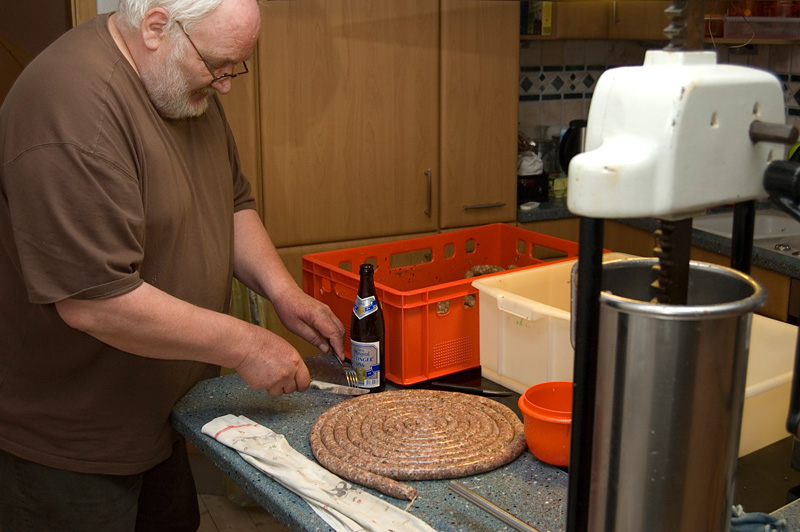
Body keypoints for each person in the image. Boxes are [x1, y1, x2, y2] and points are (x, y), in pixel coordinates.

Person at [0, 0, 345, 529]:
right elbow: (98, 302)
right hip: (72, 444)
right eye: (217, 65)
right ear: (158, 26)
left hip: (164, 413)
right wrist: (248, 344)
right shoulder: (72, 110)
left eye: (235, 66)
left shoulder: (179, 80)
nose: (227, 84)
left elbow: (230, 203)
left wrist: (284, 293)